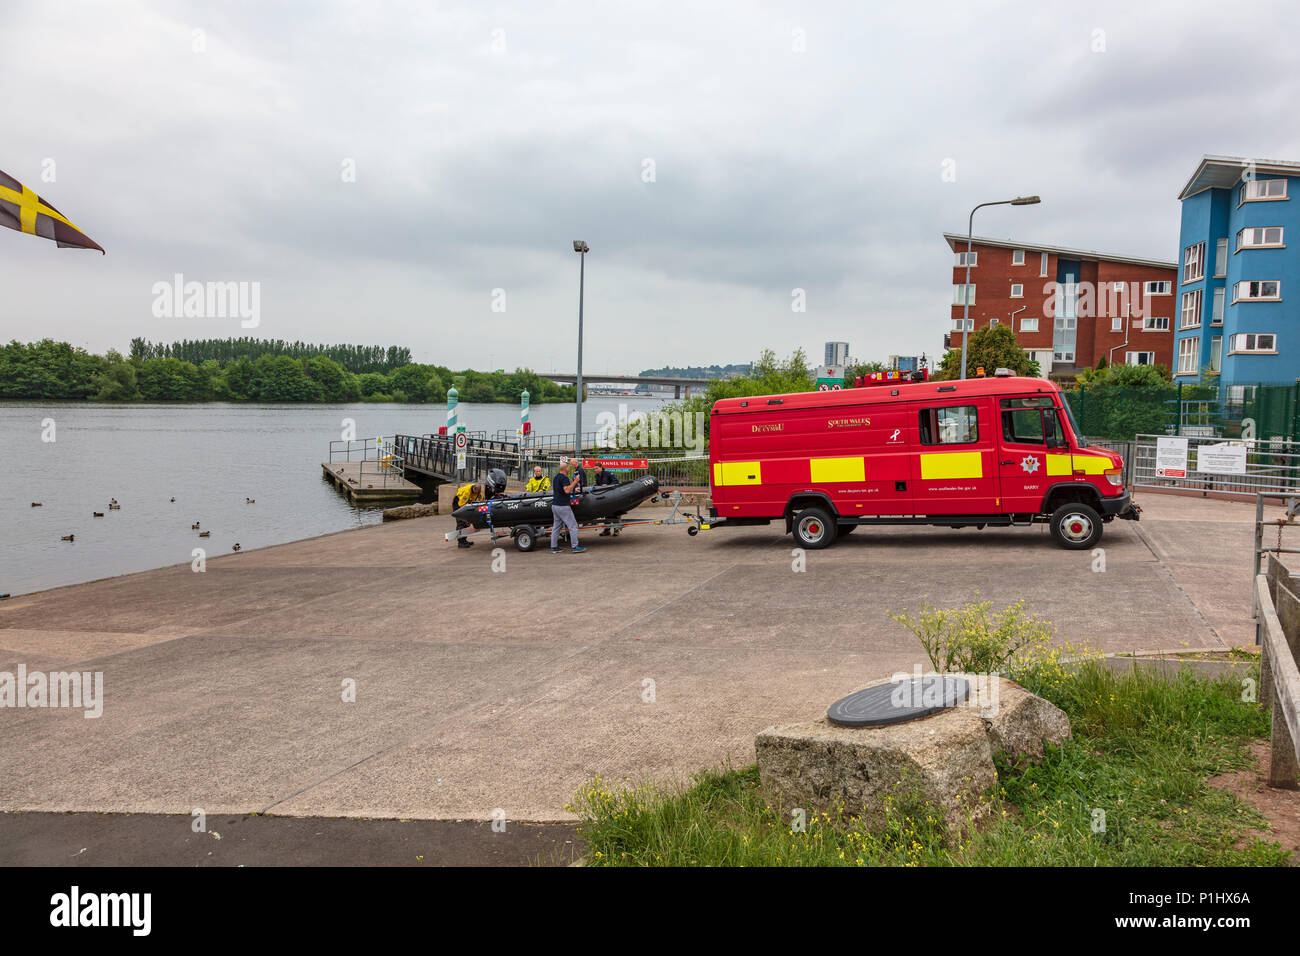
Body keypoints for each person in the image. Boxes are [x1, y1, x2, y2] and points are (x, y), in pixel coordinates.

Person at [550, 462, 586, 554]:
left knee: (556, 527)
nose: (569, 469)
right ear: (565, 469)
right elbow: (566, 490)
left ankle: (553, 547)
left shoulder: (556, 477)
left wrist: (574, 488)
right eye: (568, 467)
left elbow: (561, 490)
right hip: (563, 506)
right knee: (573, 526)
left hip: (555, 505)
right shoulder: (564, 477)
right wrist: (575, 481)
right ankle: (575, 547)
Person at [452, 482, 483, 549]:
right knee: (461, 522)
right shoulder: (466, 492)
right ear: (474, 489)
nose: (477, 494)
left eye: (478, 492)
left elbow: (481, 500)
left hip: (467, 503)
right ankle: (460, 542)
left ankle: (464, 540)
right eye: (476, 493)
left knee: (466, 523)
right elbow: (461, 505)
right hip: (458, 504)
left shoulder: (478, 491)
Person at [593, 463, 619, 536]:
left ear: (601, 467)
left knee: (614, 513)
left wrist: (608, 486)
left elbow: (616, 481)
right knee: (606, 513)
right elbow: (598, 485)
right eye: (594, 469)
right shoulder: (596, 476)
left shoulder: (608, 473)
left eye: (597, 468)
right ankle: (607, 530)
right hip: (604, 497)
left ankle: (616, 530)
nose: (595, 470)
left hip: (612, 495)